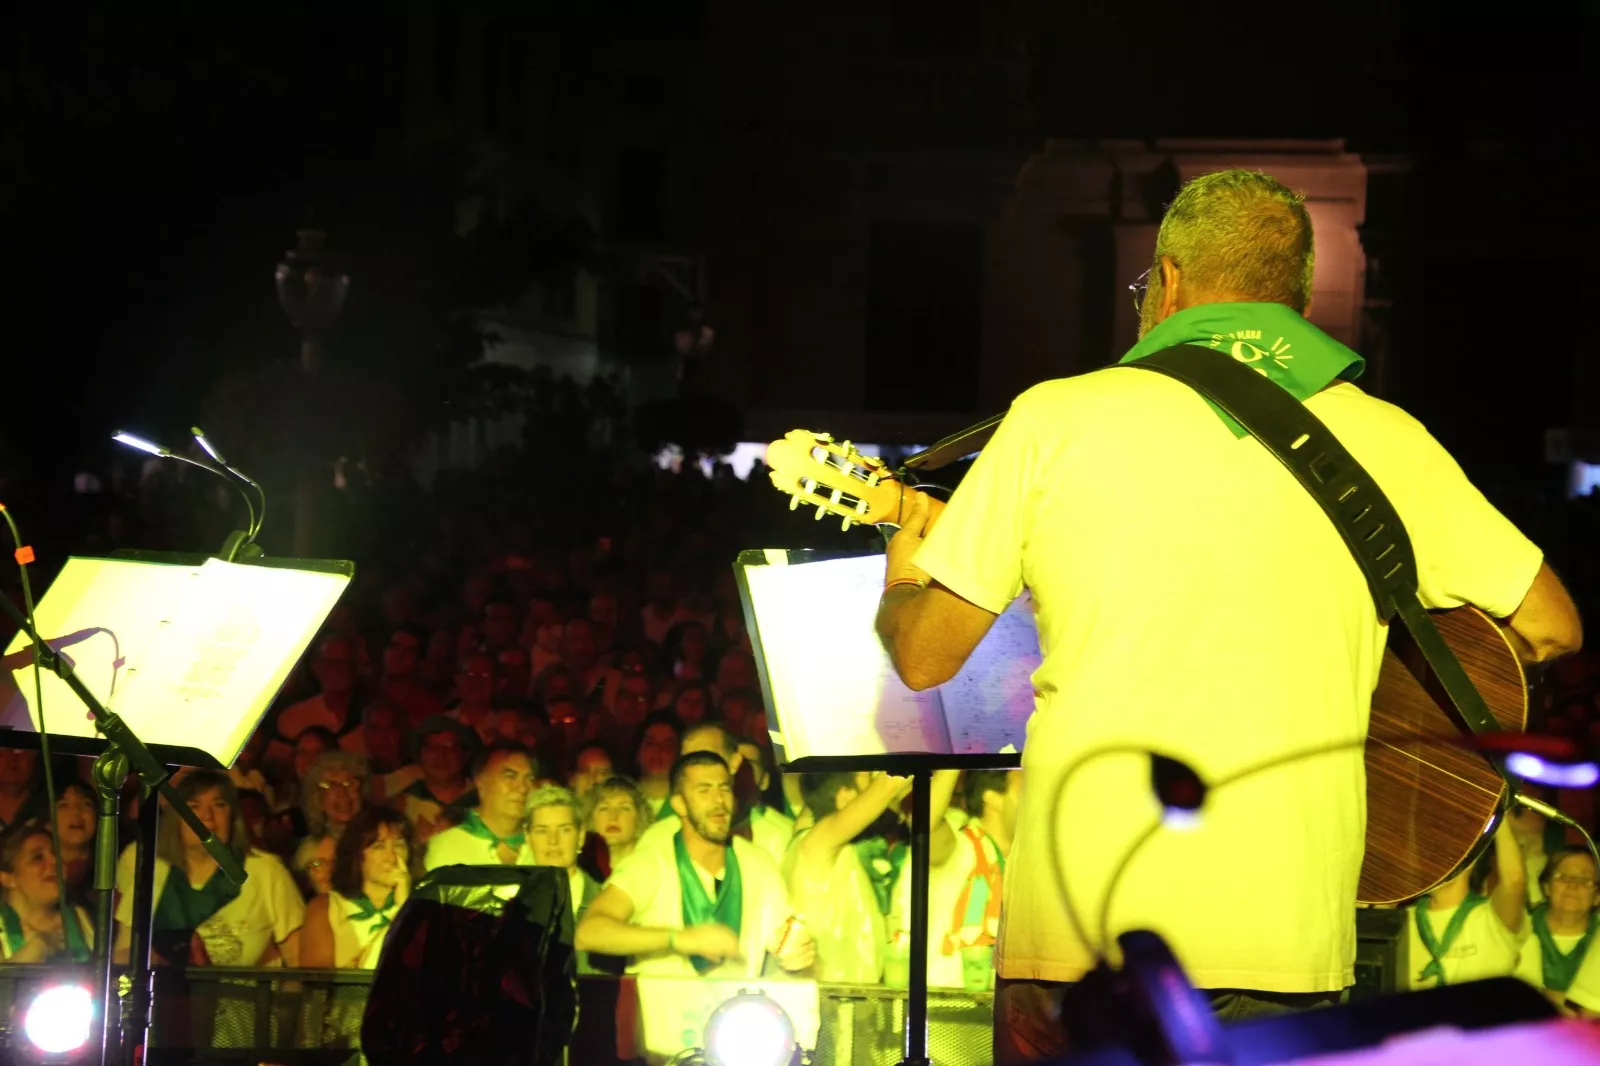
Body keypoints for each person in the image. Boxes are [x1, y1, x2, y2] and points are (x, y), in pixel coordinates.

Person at [872, 169, 1585, 1061]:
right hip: (1291, 930)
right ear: (1296, 295)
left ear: (1168, 282)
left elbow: (929, 657)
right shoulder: (1392, 439)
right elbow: (1554, 624)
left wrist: (904, 575)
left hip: (1085, 930)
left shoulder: (1055, 420)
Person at [575, 751, 816, 979]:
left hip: (737, 1015)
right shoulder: (652, 862)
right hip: (663, 1017)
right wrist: (678, 939)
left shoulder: (758, 863)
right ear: (679, 804)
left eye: (724, 788)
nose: (719, 800)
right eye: (704, 791)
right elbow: (589, 932)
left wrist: (795, 953)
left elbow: (783, 941)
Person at [114, 770, 305, 967]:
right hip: (166, 994)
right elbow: (121, 956)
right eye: (194, 807)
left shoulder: (265, 870)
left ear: (232, 816)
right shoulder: (152, 873)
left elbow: (298, 958)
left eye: (219, 805)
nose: (207, 816)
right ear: (176, 819)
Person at [783, 771, 909, 983]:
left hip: (862, 1003)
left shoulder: (854, 850)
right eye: (870, 780)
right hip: (828, 1005)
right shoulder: (817, 842)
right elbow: (887, 787)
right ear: (846, 797)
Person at [633, 722, 796, 867]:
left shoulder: (778, 836)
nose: (695, 769)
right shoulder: (659, 837)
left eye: (707, 757)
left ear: (735, 762)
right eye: (688, 759)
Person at [1406, 818, 1528, 988]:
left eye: (1438, 852)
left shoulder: (1491, 918)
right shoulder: (1402, 921)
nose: (1429, 861)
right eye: (1425, 852)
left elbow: (1514, 881)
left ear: (1470, 860)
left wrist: (1501, 811)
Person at [301, 806, 412, 969]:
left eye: (398, 845)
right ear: (357, 854)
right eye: (379, 846)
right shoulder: (326, 909)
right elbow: (316, 985)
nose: (391, 857)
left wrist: (406, 908)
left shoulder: (429, 907)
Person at [423, 741, 538, 869]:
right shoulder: (448, 845)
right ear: (480, 782)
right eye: (510, 776)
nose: (522, 788)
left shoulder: (544, 844)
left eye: (529, 779)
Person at [1516, 846, 1600, 1004]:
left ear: (1597, 896)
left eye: (1585, 880)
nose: (1573, 886)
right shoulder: (1517, 930)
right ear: (1547, 886)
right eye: (1563, 877)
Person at [0, 821, 93, 962]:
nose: (55, 862)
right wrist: (38, 947)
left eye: (56, 854)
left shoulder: (79, 918)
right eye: (37, 857)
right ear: (8, 879)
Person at [396, 716, 477, 849]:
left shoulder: (485, 798)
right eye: (432, 747)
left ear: (464, 754)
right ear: (419, 755)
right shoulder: (400, 805)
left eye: (450, 747)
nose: (441, 755)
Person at [584, 776, 649, 880]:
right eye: (604, 808)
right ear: (590, 817)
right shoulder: (580, 871)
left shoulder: (653, 868)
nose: (613, 816)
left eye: (625, 808)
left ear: (640, 817)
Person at [301, 752, 369, 840]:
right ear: (318, 799)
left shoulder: (383, 841)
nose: (343, 793)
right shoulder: (313, 850)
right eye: (331, 785)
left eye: (349, 783)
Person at [53, 778, 97, 901]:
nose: (77, 811)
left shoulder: (113, 871)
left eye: (86, 804)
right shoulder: (37, 873)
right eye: (64, 805)